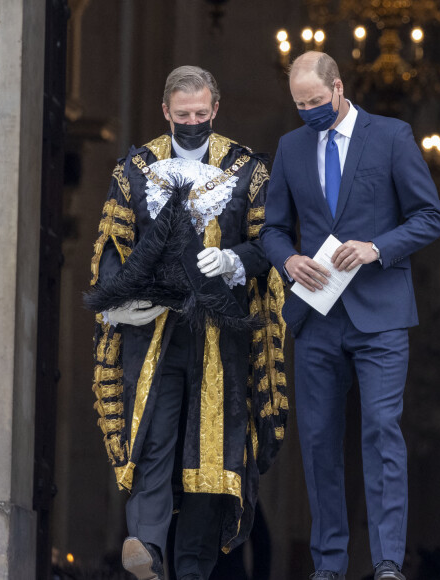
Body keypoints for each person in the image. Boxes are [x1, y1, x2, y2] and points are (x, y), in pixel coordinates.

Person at [87, 65, 287, 580]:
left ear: (215, 110)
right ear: (165, 113)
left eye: (201, 113)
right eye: (183, 115)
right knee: (152, 435)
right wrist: (119, 296)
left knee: (213, 455)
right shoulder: (134, 168)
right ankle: (147, 549)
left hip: (223, 338)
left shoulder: (248, 170)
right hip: (155, 332)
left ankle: (193, 569)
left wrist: (233, 260)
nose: (192, 122)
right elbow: (113, 242)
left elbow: (271, 242)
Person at [260, 52, 440, 580]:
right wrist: (288, 259)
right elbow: (274, 228)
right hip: (317, 315)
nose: (309, 112)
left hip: (381, 314)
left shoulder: (390, 136)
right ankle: (329, 565)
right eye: (300, 105)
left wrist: (376, 248)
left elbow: (430, 216)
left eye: (316, 102)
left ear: (338, 88)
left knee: (382, 431)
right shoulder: (291, 147)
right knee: (318, 439)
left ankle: (387, 561)